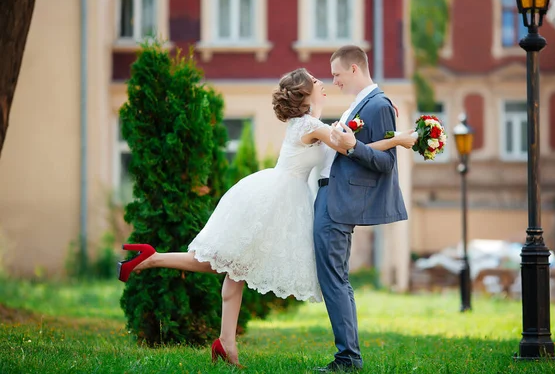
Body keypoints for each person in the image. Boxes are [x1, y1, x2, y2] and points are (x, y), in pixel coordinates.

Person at [117, 67, 416, 368]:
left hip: (281, 196)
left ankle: (224, 342)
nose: (322, 82)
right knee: (225, 263)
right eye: (315, 81)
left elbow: (349, 150)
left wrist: (392, 139)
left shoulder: (310, 124)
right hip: (275, 198)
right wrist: (396, 141)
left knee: (235, 268)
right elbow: (347, 146)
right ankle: (152, 260)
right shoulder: (310, 124)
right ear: (305, 93)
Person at [313, 45, 410, 372]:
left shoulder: (378, 105)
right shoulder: (358, 104)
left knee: (334, 279)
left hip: (339, 201)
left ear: (354, 69)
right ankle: (348, 356)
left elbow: (386, 163)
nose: (335, 80)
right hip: (330, 196)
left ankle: (348, 358)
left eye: (337, 74)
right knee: (335, 278)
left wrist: (353, 146)